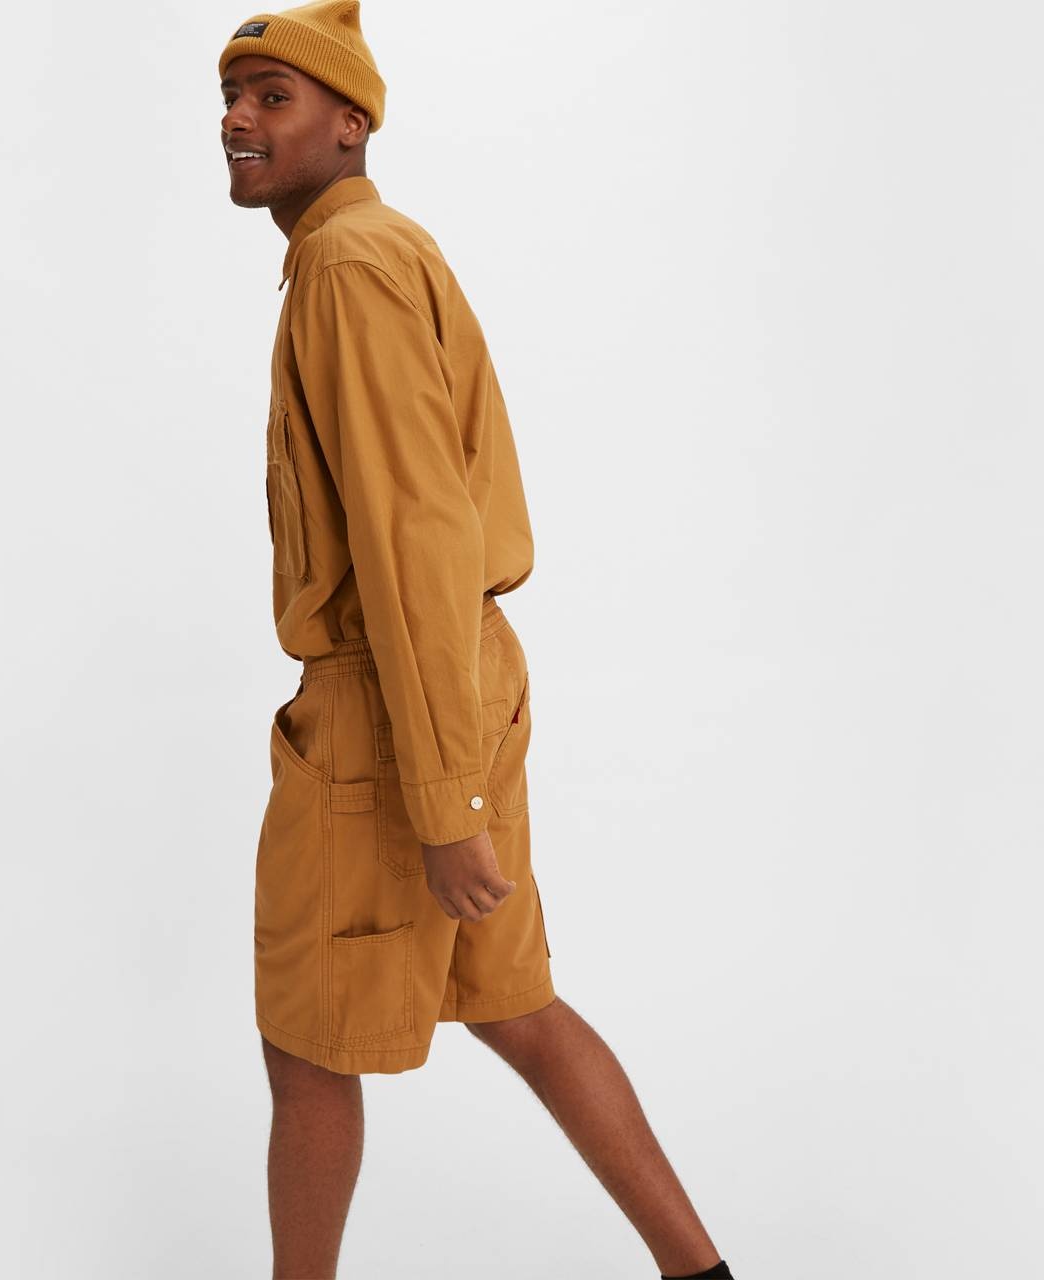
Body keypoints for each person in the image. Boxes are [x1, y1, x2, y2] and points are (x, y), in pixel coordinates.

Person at [220, 4, 737, 1276]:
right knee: (515, 1003)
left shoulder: (349, 266)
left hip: (391, 705)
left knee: (307, 1046)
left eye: (273, 97)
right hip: (461, 668)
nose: (235, 120)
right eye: (230, 99)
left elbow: (411, 532)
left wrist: (443, 799)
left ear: (352, 123)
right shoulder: (381, 247)